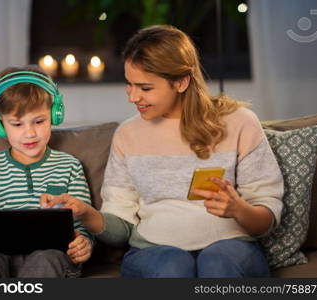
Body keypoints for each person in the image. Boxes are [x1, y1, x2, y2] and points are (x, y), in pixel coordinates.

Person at [41, 25, 284, 278]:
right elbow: (121, 229)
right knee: (173, 266)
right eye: (129, 84)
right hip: (154, 253)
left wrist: (238, 209)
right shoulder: (127, 135)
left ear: (181, 82)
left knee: (217, 263)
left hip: (233, 247)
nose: (133, 97)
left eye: (145, 88)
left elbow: (266, 217)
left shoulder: (240, 122)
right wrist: (85, 213)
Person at [0, 65, 93, 278]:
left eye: (39, 121)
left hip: (52, 259)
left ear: (54, 116)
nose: (30, 133)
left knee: (45, 259)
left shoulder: (70, 166)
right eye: (17, 124)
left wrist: (83, 243)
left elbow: (82, 224)